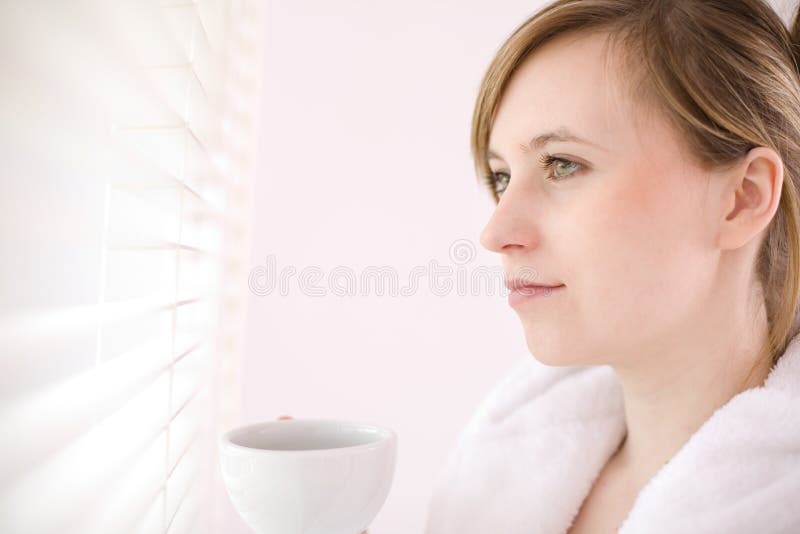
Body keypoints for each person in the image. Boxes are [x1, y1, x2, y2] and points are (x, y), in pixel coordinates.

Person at [424, 1, 800, 533]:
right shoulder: (491, 477)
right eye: (503, 177)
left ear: (742, 197)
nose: (496, 234)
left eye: (563, 165)